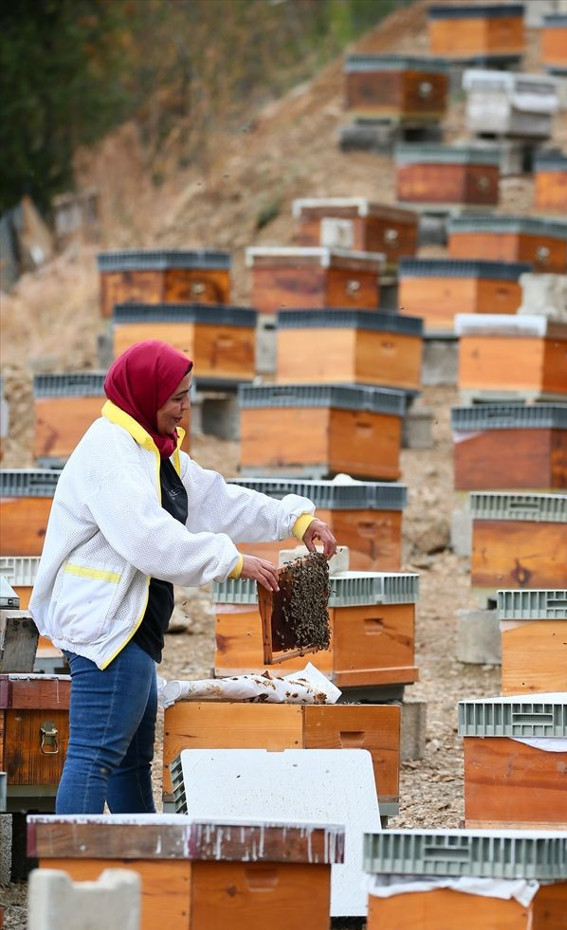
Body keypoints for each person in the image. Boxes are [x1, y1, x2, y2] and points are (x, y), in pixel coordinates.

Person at [29, 339, 337, 815]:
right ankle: (74, 877)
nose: (186, 408)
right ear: (147, 395)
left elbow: (217, 500)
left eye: (188, 395)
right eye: (177, 397)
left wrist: (293, 520)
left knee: (132, 762)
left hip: (130, 629)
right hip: (105, 632)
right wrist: (231, 561)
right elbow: (148, 539)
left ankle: (137, 874)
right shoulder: (110, 453)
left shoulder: (156, 451)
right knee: (94, 756)